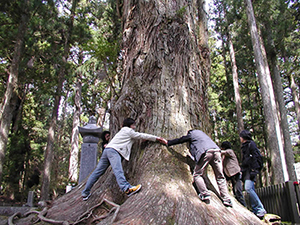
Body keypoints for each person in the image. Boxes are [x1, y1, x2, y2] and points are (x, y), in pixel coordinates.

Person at [82, 118, 167, 200]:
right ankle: (126, 188)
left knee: (97, 172)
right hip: (114, 151)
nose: (135, 127)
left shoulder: (122, 131)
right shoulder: (128, 130)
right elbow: (141, 135)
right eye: (134, 125)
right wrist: (157, 138)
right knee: (118, 170)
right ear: (130, 125)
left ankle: (85, 192)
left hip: (107, 150)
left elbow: (133, 138)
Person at [166, 130, 232, 207]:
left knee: (197, 174)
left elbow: (181, 139)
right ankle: (227, 199)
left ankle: (204, 193)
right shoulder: (204, 135)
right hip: (217, 151)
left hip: (206, 151)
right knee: (220, 176)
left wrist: (168, 142)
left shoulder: (192, 134)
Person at [240, 130, 267, 218]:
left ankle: (260, 209)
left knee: (248, 188)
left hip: (251, 169)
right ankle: (255, 209)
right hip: (247, 169)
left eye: (241, 136)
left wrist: (254, 170)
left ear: (243, 137)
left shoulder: (251, 144)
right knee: (251, 188)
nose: (240, 138)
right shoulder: (245, 146)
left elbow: (255, 157)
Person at [221, 141, 246, 206]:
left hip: (236, 173)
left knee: (238, 192)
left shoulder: (230, 151)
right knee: (235, 192)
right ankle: (241, 204)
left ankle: (244, 205)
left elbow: (223, 152)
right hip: (232, 175)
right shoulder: (226, 156)